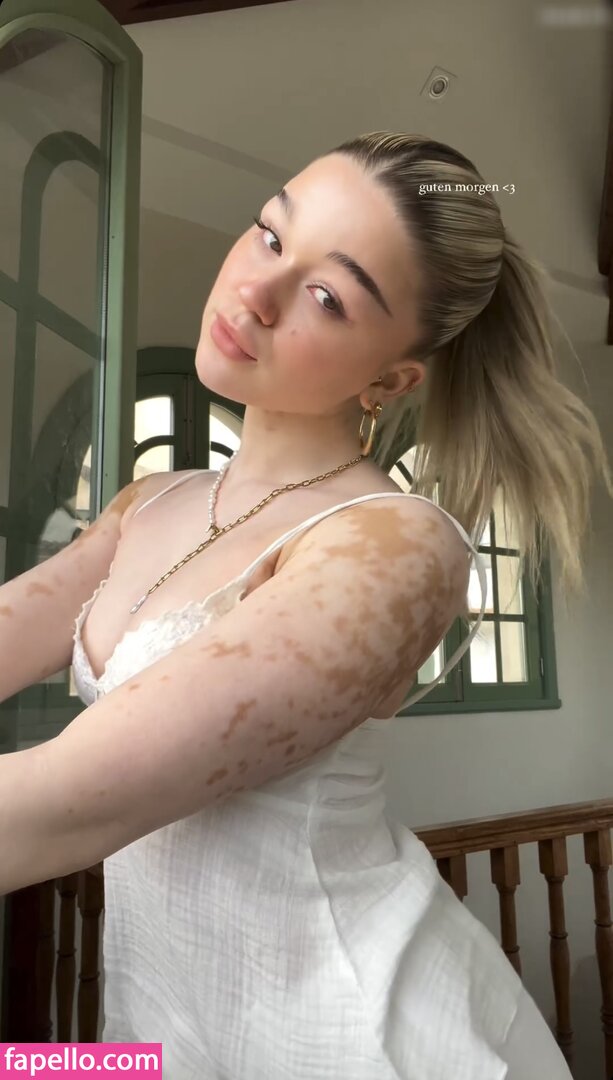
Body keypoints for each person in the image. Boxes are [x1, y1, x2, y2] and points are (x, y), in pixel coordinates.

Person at [1, 132, 610, 1078]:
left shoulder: (395, 542)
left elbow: (59, 808)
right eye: (269, 234)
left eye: (327, 296)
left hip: (354, 1035)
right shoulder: (149, 503)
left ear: (389, 380)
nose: (256, 291)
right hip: (163, 1022)